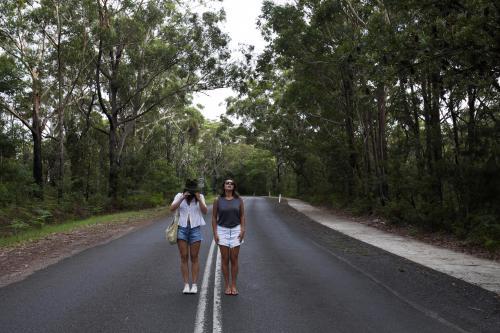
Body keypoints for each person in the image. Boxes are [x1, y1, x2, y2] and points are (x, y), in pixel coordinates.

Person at [170, 179, 208, 294]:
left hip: (195, 228)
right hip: (182, 228)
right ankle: (186, 284)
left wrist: (199, 198)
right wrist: (182, 197)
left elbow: (205, 211)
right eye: (189, 191)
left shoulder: (200, 196)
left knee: (194, 256)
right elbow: (171, 208)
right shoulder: (179, 196)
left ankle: (195, 284)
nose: (190, 193)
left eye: (193, 191)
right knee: (184, 256)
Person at [212, 178, 246, 296]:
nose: (229, 185)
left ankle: (234, 285)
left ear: (234, 186)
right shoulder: (218, 200)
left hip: (236, 230)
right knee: (225, 259)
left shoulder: (239, 200)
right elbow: (213, 217)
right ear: (224, 186)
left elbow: (242, 216)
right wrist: (215, 233)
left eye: (231, 183)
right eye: (227, 183)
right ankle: (227, 285)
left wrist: (243, 230)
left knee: (234, 258)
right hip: (222, 230)